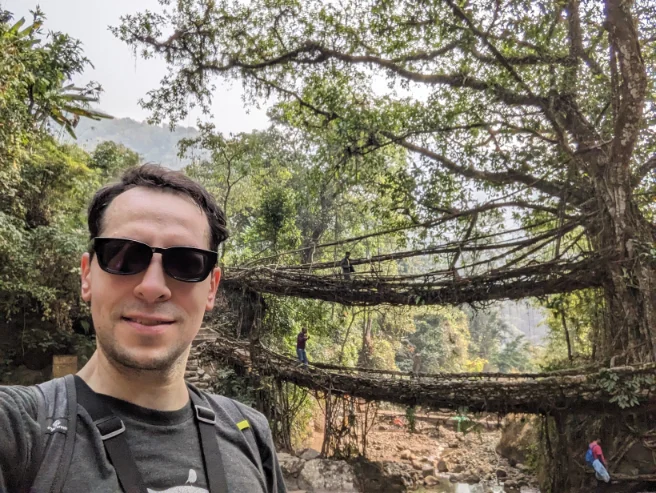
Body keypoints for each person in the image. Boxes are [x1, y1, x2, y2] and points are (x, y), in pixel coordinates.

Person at [0, 165, 287, 493]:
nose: (152, 287)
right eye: (124, 257)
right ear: (87, 276)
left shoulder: (250, 433)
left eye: (186, 263)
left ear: (211, 288)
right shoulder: (20, 428)